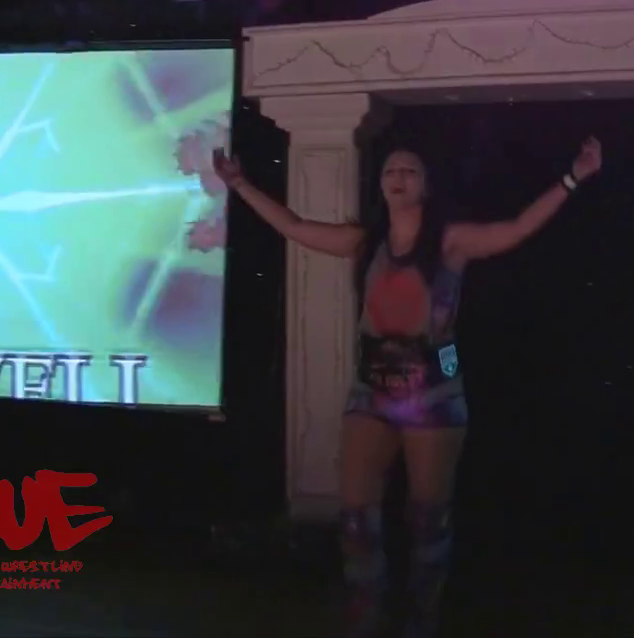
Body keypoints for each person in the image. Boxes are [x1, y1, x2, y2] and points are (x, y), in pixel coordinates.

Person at [214, 136, 603, 637]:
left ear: (426, 185)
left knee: (427, 515)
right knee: (356, 513)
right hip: (371, 391)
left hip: (433, 393)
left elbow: (517, 228)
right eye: (390, 171)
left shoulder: (451, 241)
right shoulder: (366, 242)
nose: (398, 178)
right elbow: (293, 226)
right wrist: (240, 184)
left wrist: (573, 177)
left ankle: (422, 616)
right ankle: (366, 611)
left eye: (409, 171)